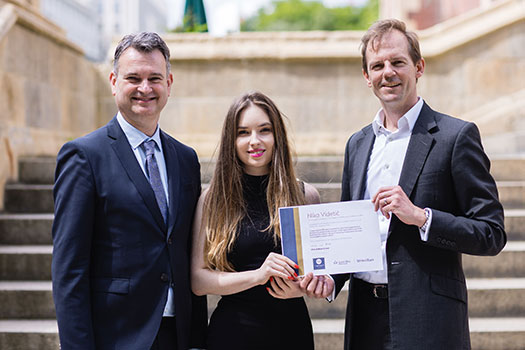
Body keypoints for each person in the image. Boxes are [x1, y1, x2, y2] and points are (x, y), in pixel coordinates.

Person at [303, 19, 507, 349]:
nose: (388, 72)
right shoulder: (357, 144)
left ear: (418, 67)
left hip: (429, 318)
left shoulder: (455, 137)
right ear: (367, 78)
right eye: (377, 65)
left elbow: (491, 233)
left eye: (398, 62)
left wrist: (421, 217)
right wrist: (329, 278)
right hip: (365, 319)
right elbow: (349, 237)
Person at [52, 32, 207, 350]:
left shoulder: (186, 159)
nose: (145, 89)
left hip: (178, 333)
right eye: (133, 78)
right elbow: (70, 269)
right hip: (117, 335)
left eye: (155, 78)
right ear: (113, 81)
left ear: (169, 82)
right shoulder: (83, 156)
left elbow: (187, 250)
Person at [191, 91, 320, 350]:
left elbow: (318, 273)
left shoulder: (305, 196)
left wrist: (306, 287)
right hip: (233, 334)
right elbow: (198, 280)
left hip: (291, 333)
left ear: (277, 136)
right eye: (243, 132)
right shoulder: (213, 199)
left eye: (264, 130)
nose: (255, 141)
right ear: (231, 139)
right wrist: (258, 275)